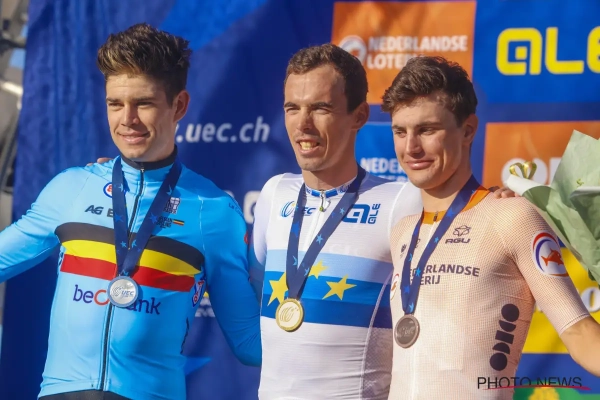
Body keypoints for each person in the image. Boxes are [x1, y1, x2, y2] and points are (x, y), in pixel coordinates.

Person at [0, 23, 261, 400]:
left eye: (144, 103)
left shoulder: (215, 212)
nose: (127, 119)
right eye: (115, 104)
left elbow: (250, 344)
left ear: (179, 105)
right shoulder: (71, 188)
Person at [248, 45, 514, 399]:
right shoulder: (274, 193)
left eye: (320, 108)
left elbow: (464, 227)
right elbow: (255, 297)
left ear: (359, 116)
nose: (303, 123)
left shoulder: (400, 201)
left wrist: (494, 202)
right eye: (292, 108)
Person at [383, 55, 600, 399]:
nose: (411, 147)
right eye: (400, 131)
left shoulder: (511, 217)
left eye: (427, 130)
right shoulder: (402, 231)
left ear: (468, 130)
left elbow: (580, 334)